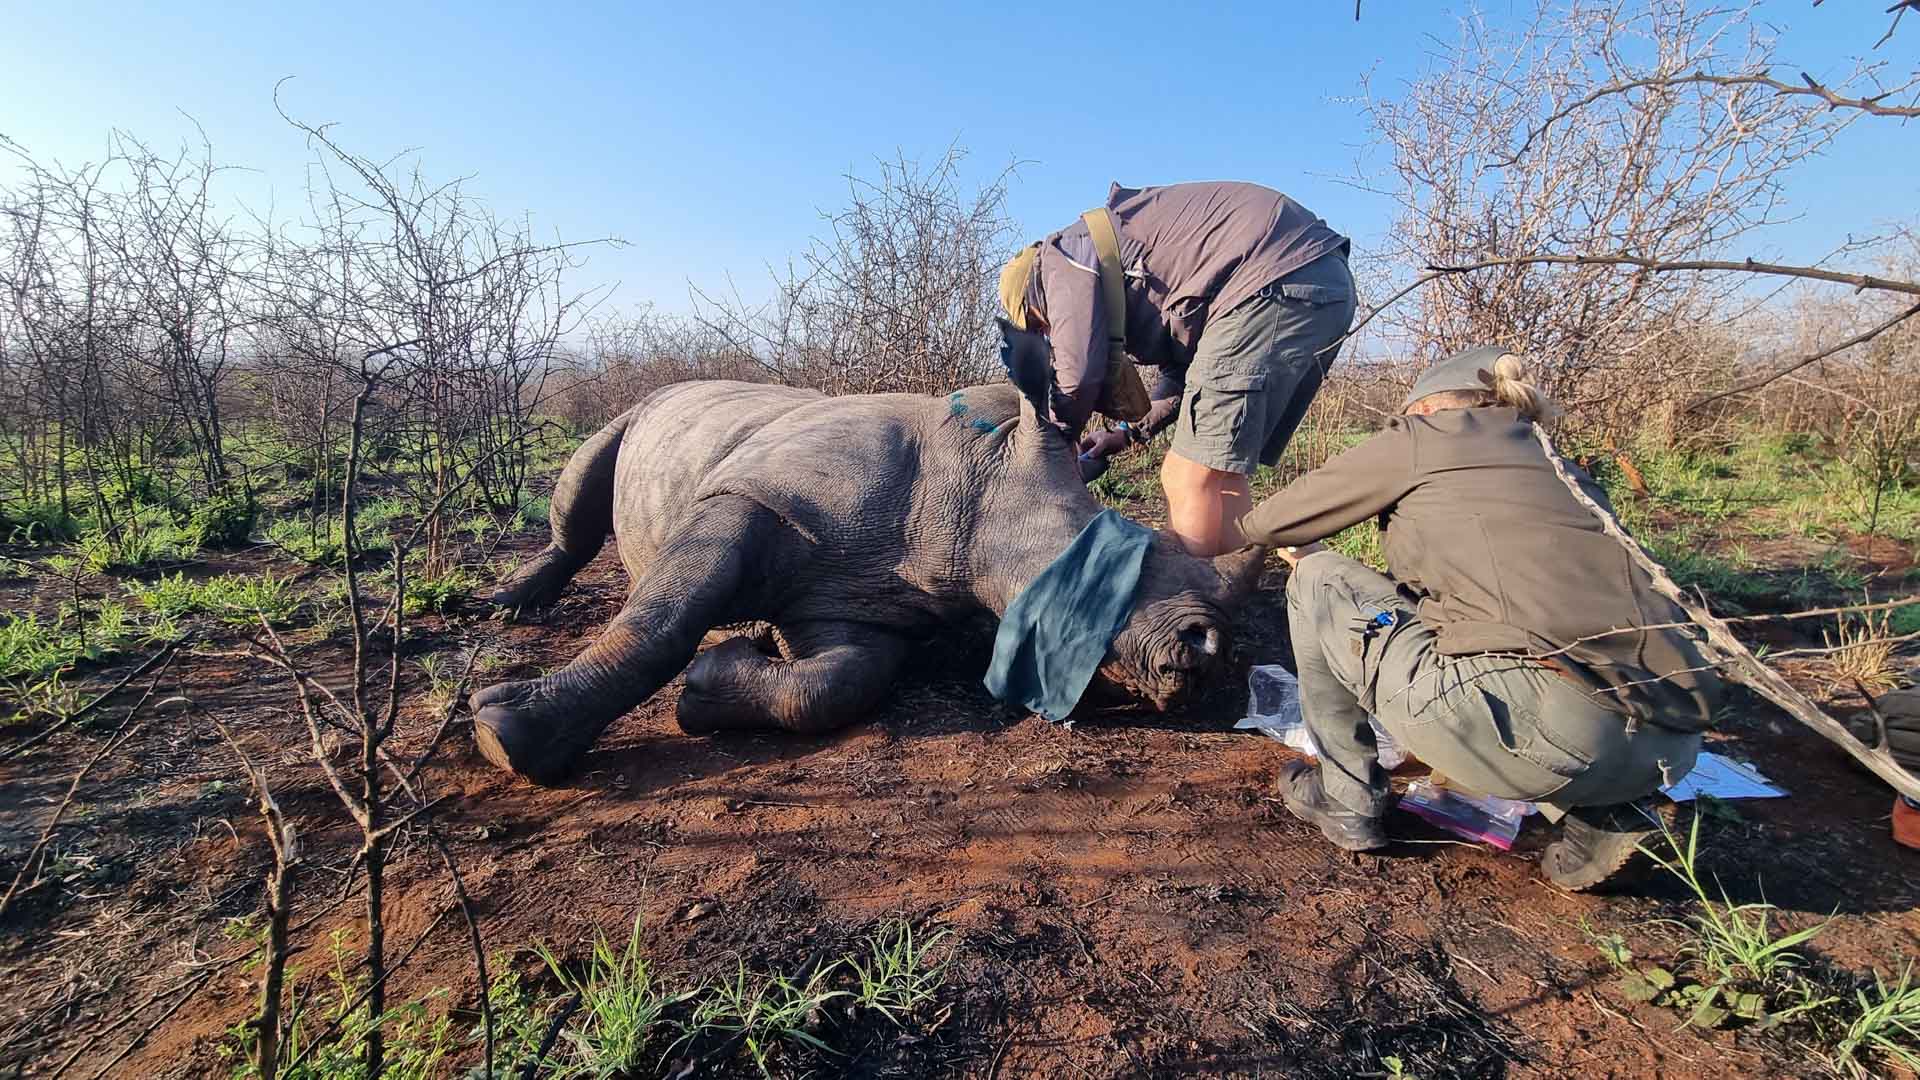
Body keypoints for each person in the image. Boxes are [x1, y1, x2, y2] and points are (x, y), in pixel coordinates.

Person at [1238, 346, 1724, 889]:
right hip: (1669, 745)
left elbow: (1267, 523)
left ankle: (1346, 798)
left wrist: (1295, 546)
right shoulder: (1559, 465)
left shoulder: (1426, 436)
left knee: (1317, 575)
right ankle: (1603, 816)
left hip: (1543, 733)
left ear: (1426, 408)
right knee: (1542, 654)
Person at [997, 181, 1355, 556]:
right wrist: (1125, 433)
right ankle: (1274, 582)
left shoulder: (1057, 259)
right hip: (1317, 278)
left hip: (1276, 278)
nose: (1050, 334)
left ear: (1033, 299)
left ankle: (1187, 593)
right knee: (1221, 476)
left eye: (1041, 325)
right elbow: (1184, 375)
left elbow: (1079, 374)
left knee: (1184, 475)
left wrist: (1057, 441)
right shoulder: (1127, 273)